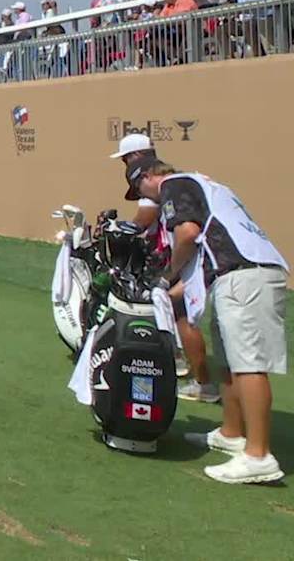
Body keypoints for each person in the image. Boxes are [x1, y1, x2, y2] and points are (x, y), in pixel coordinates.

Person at [125, 157, 290, 484]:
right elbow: (199, 263)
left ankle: (258, 456)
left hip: (243, 277)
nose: (144, 197)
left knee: (248, 365)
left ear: (149, 176)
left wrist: (165, 274)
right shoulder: (203, 184)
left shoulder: (173, 185)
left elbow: (187, 234)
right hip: (237, 276)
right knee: (229, 362)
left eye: (139, 188)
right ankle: (231, 433)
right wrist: (166, 292)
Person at [109, 134, 217, 403]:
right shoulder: (175, 180)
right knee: (178, 312)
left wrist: (170, 272)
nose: (125, 163)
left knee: (182, 316)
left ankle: (201, 381)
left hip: (186, 256)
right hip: (193, 256)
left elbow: (145, 221)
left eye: (126, 158)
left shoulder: (162, 185)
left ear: (137, 157)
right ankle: (187, 367)